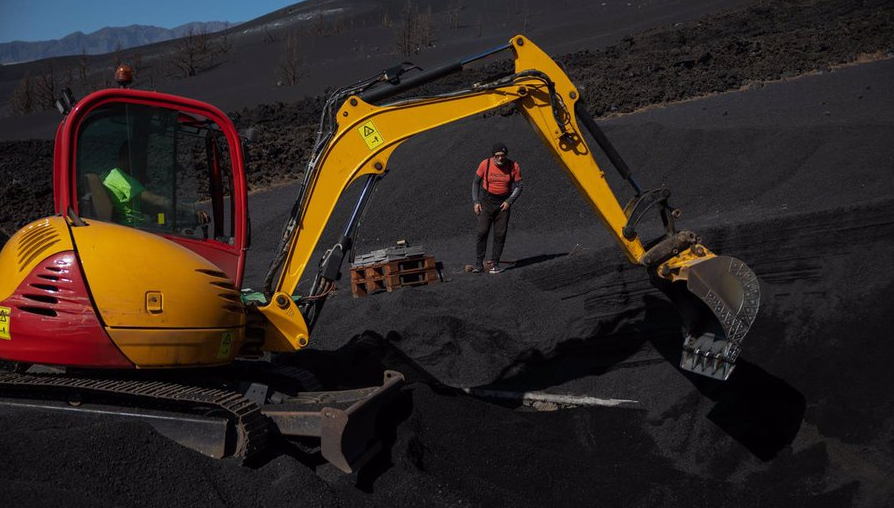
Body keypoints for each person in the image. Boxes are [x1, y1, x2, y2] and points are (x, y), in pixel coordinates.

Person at [102, 142, 208, 229]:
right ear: (125, 158)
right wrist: (192, 210)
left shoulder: (110, 176)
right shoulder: (122, 178)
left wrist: (161, 220)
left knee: (164, 223)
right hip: (135, 229)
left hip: (137, 227)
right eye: (137, 158)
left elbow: (152, 208)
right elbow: (156, 202)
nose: (139, 163)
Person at [472, 142, 523, 274]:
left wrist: (509, 201)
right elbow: (476, 182)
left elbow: (519, 186)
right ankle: (479, 264)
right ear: (493, 155)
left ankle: (495, 263)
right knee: (482, 231)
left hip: (503, 204)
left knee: (500, 234)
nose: (500, 158)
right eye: (497, 155)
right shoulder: (485, 164)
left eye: (503, 155)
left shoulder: (513, 166)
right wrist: (476, 201)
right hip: (487, 202)